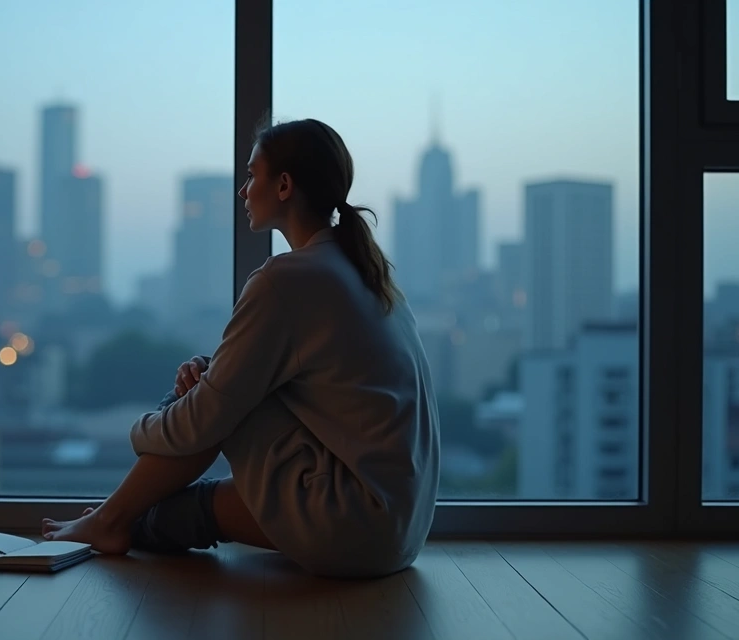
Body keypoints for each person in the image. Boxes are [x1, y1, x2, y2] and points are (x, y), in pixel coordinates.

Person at [42, 118, 440, 578]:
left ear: (285, 185)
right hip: (397, 532)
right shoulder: (369, 276)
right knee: (166, 511)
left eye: (253, 176)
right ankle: (110, 519)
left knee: (204, 404)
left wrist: (142, 428)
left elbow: (205, 420)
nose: (243, 190)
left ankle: (107, 520)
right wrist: (219, 374)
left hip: (349, 522)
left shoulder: (287, 279)